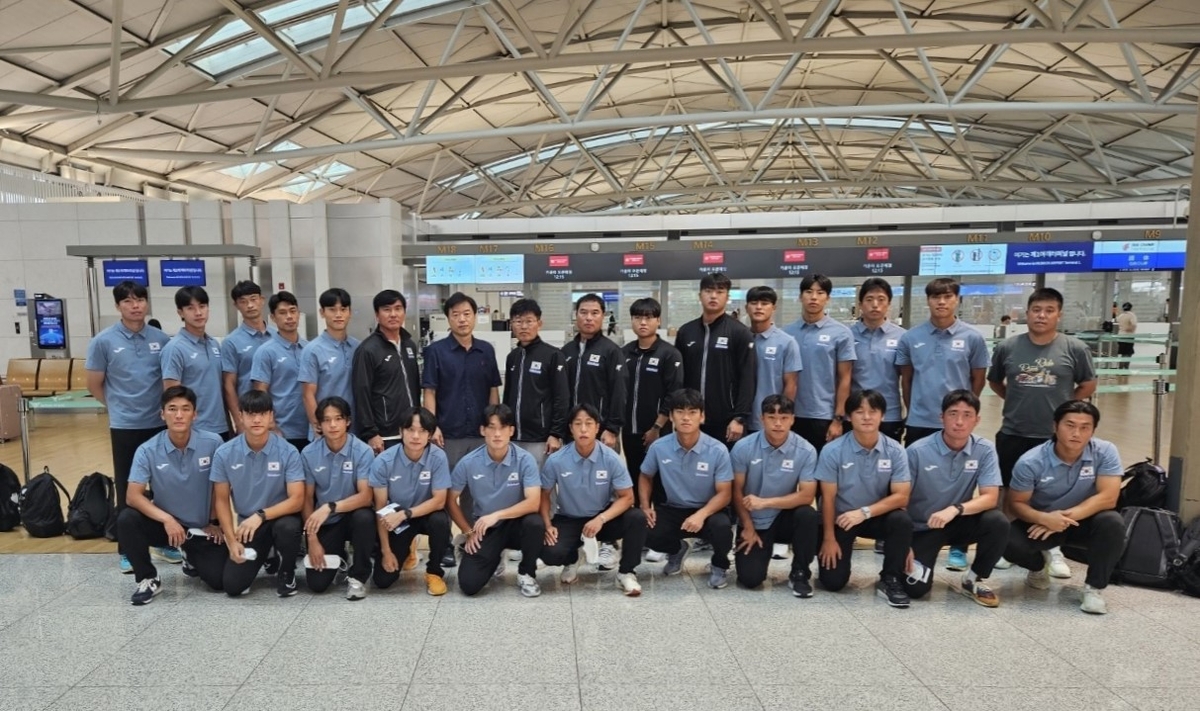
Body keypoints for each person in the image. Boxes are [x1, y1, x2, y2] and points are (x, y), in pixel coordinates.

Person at [987, 287, 1097, 575]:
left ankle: (1054, 547)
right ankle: (1010, 547)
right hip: (1015, 430)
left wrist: (1066, 408)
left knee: (1055, 493)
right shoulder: (1008, 348)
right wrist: (1016, 401)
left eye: (1049, 310)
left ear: (1058, 315)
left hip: (1055, 436)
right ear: (1027, 313)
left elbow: (1087, 384)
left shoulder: (1074, 349)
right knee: (1010, 493)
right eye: (1036, 310)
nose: (1042, 315)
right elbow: (995, 381)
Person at [86, 280, 174, 573]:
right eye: (128, 301)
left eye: (140, 300)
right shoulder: (103, 341)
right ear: (117, 306)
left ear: (147, 303)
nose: (135, 306)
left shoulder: (161, 340)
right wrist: (119, 408)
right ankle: (128, 549)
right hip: (125, 426)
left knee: (163, 486)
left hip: (158, 424)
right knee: (128, 485)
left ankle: (162, 541)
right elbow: (95, 384)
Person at [1004, 400, 1125, 615]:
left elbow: (1109, 498)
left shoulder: (1105, 451)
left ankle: (1093, 589)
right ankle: (1038, 567)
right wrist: (1044, 519)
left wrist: (1063, 519)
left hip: (1083, 521)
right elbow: (1016, 504)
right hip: (1040, 523)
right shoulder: (1031, 461)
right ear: (1055, 426)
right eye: (1070, 425)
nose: (1076, 433)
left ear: (1093, 430)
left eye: (1084, 427)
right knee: (1005, 539)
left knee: (1112, 522)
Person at [118, 386, 226, 604]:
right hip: (166, 527)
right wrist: (167, 519)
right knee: (127, 518)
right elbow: (132, 495)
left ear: (195, 414)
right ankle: (148, 577)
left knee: (220, 581)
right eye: (172, 409)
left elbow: (220, 488)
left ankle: (191, 557)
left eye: (185, 409)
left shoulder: (213, 443)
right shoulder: (147, 450)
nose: (179, 415)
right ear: (162, 414)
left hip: (200, 528)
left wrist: (215, 522)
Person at [903, 390, 1007, 606]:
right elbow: (900, 500)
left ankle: (974, 579)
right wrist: (902, 543)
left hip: (958, 520)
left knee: (997, 522)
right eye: (953, 414)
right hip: (923, 527)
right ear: (941, 417)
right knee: (914, 589)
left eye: (967, 415)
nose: (959, 422)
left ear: (977, 420)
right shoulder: (917, 451)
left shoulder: (985, 450)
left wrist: (955, 509)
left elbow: (990, 498)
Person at [423, 292, 502, 568]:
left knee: (478, 490)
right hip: (449, 434)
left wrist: (494, 427)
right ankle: (445, 544)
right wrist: (431, 429)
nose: (462, 319)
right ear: (448, 318)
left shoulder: (486, 350)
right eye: (455, 314)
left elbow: (493, 390)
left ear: (475, 316)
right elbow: (430, 392)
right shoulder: (436, 352)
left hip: (480, 434)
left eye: (467, 313)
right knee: (446, 492)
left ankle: (479, 538)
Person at [815, 389, 913, 608]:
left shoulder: (895, 451)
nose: (867, 417)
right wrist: (829, 538)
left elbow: (901, 497)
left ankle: (890, 578)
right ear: (849, 417)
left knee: (902, 521)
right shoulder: (832, 451)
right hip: (843, 519)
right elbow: (827, 499)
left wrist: (865, 513)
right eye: (859, 412)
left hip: (875, 516)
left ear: (883, 416)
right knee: (833, 582)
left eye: (873, 411)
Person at [539, 403, 647, 596]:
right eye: (578, 424)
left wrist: (601, 519)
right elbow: (544, 495)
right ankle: (572, 558)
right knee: (551, 553)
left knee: (636, 518)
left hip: (603, 518)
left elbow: (628, 497)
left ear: (597, 428)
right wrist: (548, 525)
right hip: (569, 517)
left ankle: (626, 572)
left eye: (589, 423)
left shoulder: (611, 458)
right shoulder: (556, 460)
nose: (583, 429)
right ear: (570, 429)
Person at [210, 390, 305, 597]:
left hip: (280, 517)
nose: (256, 419)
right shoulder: (224, 453)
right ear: (241, 417)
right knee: (233, 586)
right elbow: (221, 501)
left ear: (271, 416)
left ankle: (287, 573)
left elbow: (297, 500)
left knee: (288, 527)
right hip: (248, 527)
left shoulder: (288, 451)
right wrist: (231, 541)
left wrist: (260, 515)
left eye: (262, 414)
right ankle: (268, 554)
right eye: (250, 414)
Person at [639, 388, 735, 589]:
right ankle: (677, 549)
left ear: (702, 417)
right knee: (644, 528)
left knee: (722, 528)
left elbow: (725, 493)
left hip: (709, 509)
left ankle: (719, 565)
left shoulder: (717, 450)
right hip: (673, 507)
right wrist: (645, 506)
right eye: (680, 412)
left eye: (692, 412)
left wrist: (701, 515)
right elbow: (645, 476)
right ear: (672, 416)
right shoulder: (659, 447)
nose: (686, 418)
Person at [447, 404, 545, 597]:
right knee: (468, 584)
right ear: (483, 430)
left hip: (517, 524)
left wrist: (497, 515)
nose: (497, 434)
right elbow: (450, 500)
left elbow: (534, 502)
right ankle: (495, 555)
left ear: (511, 431)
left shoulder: (525, 460)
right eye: (492, 427)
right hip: (486, 528)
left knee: (535, 522)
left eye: (503, 428)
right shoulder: (468, 462)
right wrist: (468, 531)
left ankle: (526, 573)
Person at [730, 394, 820, 596]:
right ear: (762, 419)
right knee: (750, 580)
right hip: (754, 520)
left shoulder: (806, 450)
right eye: (772, 417)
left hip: (784, 517)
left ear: (793, 419)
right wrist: (747, 525)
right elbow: (736, 491)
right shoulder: (743, 447)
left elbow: (807, 496)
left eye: (784, 417)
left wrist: (765, 502)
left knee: (808, 515)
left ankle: (800, 573)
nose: (778, 423)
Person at [371, 406, 453, 596]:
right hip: (397, 519)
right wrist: (386, 551)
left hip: (424, 514)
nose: (416, 436)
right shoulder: (384, 461)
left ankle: (434, 572)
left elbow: (440, 501)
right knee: (383, 581)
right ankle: (407, 548)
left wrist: (406, 513)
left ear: (430, 434)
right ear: (401, 431)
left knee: (440, 520)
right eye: (410, 430)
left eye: (422, 431)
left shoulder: (438, 457)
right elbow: (381, 509)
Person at [299, 397, 376, 599]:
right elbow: (306, 499)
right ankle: (340, 557)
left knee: (365, 517)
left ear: (348, 421)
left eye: (338, 419)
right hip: (326, 523)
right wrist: (312, 538)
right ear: (319, 425)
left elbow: (366, 496)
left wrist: (330, 507)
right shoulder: (308, 453)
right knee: (317, 585)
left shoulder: (362, 451)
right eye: (326, 420)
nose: (333, 425)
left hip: (352, 516)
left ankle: (358, 577)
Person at [896, 277, 988, 446]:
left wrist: (966, 411)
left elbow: (979, 379)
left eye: (947, 297)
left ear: (957, 300)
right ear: (928, 300)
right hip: (919, 421)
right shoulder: (910, 337)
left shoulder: (973, 337)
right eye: (935, 297)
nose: (941, 302)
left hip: (956, 422)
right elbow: (906, 380)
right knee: (916, 469)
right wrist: (912, 412)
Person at [674, 272, 756, 448]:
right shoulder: (686, 332)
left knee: (725, 473)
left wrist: (739, 417)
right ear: (699, 295)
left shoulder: (739, 332)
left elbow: (748, 377)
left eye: (720, 291)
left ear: (727, 297)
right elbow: (678, 378)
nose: (713, 296)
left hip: (726, 421)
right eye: (708, 291)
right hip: (692, 418)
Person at [621, 297, 683, 510]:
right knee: (634, 475)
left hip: (658, 431)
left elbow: (673, 394)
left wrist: (657, 427)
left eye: (648, 317)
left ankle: (661, 530)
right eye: (637, 317)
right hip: (630, 430)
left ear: (658, 321)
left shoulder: (669, 353)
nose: (643, 323)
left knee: (658, 480)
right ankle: (640, 525)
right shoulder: (625, 353)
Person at [783, 274, 856, 453]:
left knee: (823, 475)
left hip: (824, 415)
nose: (814, 297)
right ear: (800, 297)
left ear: (828, 298)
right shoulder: (786, 333)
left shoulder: (841, 333)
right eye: (808, 292)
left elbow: (845, 378)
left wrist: (838, 419)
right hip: (792, 414)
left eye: (820, 292)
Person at [352, 289, 422, 454]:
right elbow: (361, 393)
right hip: (384, 436)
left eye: (398, 309)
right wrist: (370, 432)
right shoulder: (368, 350)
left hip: (412, 431)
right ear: (377, 315)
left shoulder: (409, 345)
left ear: (404, 312)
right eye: (387, 309)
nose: (393, 314)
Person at [503, 298, 569, 468]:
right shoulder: (513, 357)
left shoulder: (553, 355)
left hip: (541, 439)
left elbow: (561, 398)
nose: (523, 327)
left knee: (543, 488)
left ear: (539, 323)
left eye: (529, 321)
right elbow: (508, 395)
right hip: (513, 437)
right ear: (511, 324)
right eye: (518, 321)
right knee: (517, 487)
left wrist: (555, 433)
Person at [162, 286, 230, 439]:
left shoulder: (214, 344)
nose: (198, 313)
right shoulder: (174, 349)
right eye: (190, 308)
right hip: (194, 429)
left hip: (221, 426)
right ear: (180, 312)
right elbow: (171, 396)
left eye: (202, 306)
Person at [561, 293, 627, 451]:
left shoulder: (612, 351)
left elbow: (620, 392)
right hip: (571, 431)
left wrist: (612, 429)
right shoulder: (566, 351)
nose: (588, 318)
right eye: (583, 312)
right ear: (576, 315)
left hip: (601, 431)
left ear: (603, 316)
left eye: (594, 313)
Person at [250, 291, 310, 451]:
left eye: (293, 311)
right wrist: (271, 426)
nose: (289, 317)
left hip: (311, 430)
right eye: (282, 313)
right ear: (273, 318)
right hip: (283, 432)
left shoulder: (309, 348)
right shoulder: (265, 352)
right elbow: (260, 394)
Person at [850, 278, 907, 442]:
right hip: (856, 414)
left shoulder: (902, 337)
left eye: (881, 299)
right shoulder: (846, 336)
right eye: (869, 299)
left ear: (889, 304)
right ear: (860, 304)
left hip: (890, 414)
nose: (875, 305)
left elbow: (907, 379)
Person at [299, 288, 360, 438]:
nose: (338, 315)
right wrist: (319, 427)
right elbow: (308, 394)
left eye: (343, 309)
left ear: (349, 312)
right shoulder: (312, 350)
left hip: (354, 431)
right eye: (332, 310)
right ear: (322, 312)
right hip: (326, 432)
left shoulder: (358, 348)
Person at [745, 286, 801, 435]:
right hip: (740, 421)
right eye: (753, 303)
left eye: (764, 303)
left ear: (774, 308)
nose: (758, 307)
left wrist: (781, 418)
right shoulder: (740, 338)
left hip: (770, 422)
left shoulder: (786, 342)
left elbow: (791, 384)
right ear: (746, 307)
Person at [220, 280, 271, 432]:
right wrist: (239, 421)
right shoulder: (231, 342)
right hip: (251, 417)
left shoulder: (278, 336)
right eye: (243, 301)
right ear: (236, 305)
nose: (250, 305)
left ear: (262, 300)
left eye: (253, 299)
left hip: (282, 414)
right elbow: (229, 385)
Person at [1115, 301, 1138, 370]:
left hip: (1121, 335)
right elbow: (1134, 324)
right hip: (1129, 336)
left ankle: (1120, 368)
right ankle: (1126, 368)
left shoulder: (1121, 316)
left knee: (1123, 353)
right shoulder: (1131, 315)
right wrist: (1131, 329)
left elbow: (1117, 320)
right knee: (1128, 353)